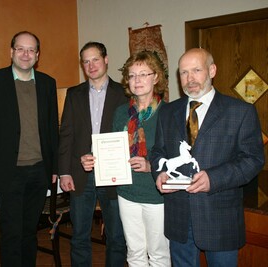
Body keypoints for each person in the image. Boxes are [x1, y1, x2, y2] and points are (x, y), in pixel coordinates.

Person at [150, 48, 265, 266]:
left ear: (212, 70)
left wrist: (214, 178)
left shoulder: (240, 111)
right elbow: (158, 152)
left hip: (220, 217)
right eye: (183, 72)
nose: (189, 78)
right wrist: (161, 172)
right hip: (179, 216)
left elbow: (253, 159)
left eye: (196, 70)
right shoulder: (167, 111)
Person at [0, 31, 59, 267]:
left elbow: (52, 128)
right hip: (8, 171)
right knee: (12, 234)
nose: (26, 54)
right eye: (20, 48)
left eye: (31, 49)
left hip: (38, 171)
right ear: (11, 52)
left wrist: (54, 166)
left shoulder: (47, 83)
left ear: (37, 55)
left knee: (29, 232)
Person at [58, 41, 127, 267]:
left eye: (95, 59)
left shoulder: (124, 93)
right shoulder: (73, 94)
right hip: (81, 174)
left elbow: (132, 135)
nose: (91, 65)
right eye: (86, 61)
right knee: (79, 237)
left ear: (106, 59)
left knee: (117, 237)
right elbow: (66, 134)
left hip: (114, 175)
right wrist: (64, 172)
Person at [111, 51, 170, 266]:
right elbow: (112, 147)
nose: (137, 81)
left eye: (143, 74)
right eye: (132, 75)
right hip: (127, 192)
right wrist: (95, 157)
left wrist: (150, 166)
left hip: (157, 194)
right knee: (134, 251)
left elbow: (177, 157)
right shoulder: (120, 113)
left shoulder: (169, 113)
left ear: (156, 78)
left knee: (159, 253)